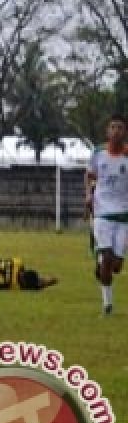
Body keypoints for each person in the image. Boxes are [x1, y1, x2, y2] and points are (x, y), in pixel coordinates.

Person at [86, 112, 128, 316]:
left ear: (125, 132)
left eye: (120, 127)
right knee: (108, 255)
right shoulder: (98, 152)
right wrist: (88, 196)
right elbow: (90, 176)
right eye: (113, 127)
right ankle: (107, 305)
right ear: (107, 131)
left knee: (117, 266)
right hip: (102, 213)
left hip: (123, 216)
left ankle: (103, 263)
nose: (116, 131)